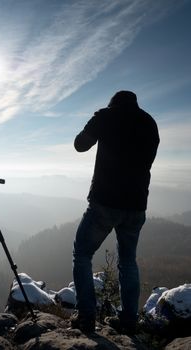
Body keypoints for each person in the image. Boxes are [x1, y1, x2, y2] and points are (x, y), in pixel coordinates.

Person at [71, 90, 160, 334]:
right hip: (136, 205)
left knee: (82, 255)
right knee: (128, 261)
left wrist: (97, 122)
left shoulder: (106, 117)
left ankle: (86, 317)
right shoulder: (150, 123)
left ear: (113, 103)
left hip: (105, 202)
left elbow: (80, 145)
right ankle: (129, 321)